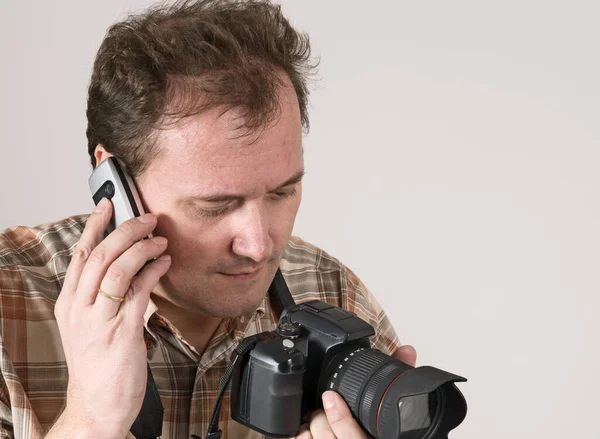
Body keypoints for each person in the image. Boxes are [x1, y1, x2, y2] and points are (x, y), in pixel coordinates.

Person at [0, 1, 416, 438]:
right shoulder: (10, 306)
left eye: (282, 192)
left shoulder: (330, 290)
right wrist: (91, 419)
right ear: (115, 183)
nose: (259, 246)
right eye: (215, 205)